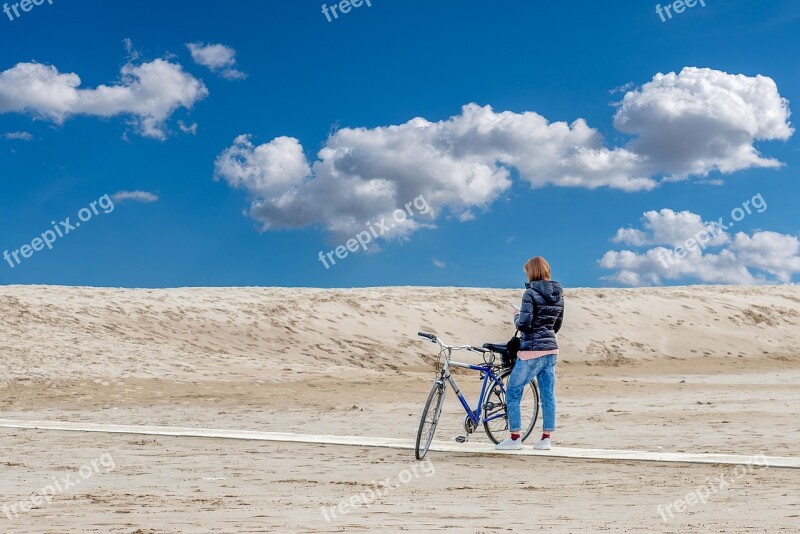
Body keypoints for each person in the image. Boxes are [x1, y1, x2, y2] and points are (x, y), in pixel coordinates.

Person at [496, 256, 564, 451]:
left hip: (531, 351)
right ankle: (545, 438)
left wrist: (517, 316)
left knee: (514, 391)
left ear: (532, 272)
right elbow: (556, 325)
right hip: (551, 349)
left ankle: (515, 437)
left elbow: (524, 324)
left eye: (527, 271)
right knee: (548, 395)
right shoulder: (559, 293)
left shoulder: (530, 293)